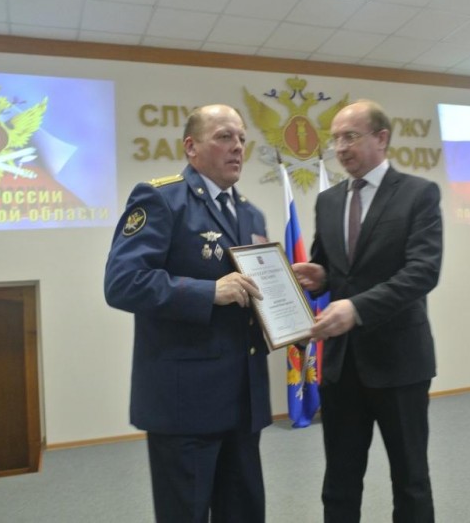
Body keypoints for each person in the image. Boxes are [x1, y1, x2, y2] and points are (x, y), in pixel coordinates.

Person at [104, 104, 272, 522]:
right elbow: (123, 282)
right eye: (224, 137)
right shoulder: (161, 198)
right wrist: (208, 292)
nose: (238, 147)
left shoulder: (250, 212)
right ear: (191, 147)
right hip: (185, 404)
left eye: (242, 139)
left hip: (243, 400)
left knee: (244, 513)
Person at [293, 99, 443, 522]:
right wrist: (319, 275)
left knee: (411, 480)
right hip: (342, 366)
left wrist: (356, 309)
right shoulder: (327, 201)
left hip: (400, 363)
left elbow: (422, 272)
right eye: (335, 140)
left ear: (381, 138)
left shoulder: (418, 194)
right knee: (339, 483)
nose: (340, 148)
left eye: (350, 137)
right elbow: (335, 269)